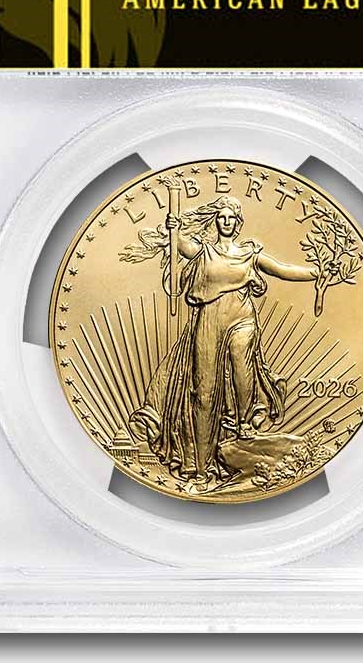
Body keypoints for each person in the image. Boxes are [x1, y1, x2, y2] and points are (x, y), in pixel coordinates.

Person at [121, 196, 318, 489]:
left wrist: (316, 273)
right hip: (209, 320)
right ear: (216, 221)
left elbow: (282, 269)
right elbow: (181, 245)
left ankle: (244, 424)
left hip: (242, 319)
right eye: (222, 217)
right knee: (204, 390)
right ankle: (200, 463)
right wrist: (174, 229)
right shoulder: (205, 251)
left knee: (242, 368)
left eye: (231, 218)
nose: (226, 221)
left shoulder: (249, 254)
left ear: (238, 223)